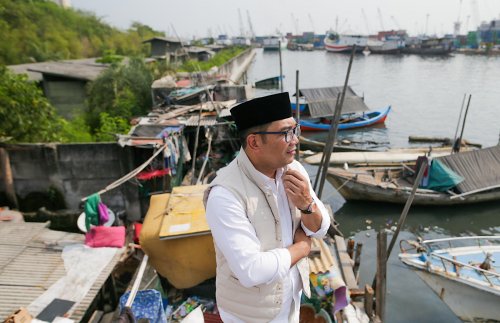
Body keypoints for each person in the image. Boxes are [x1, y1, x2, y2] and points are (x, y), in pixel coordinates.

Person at [204, 92, 330, 322]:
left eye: (295, 130)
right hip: (249, 316)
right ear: (254, 142)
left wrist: (307, 204)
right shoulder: (225, 195)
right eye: (285, 133)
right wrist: (301, 248)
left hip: (290, 301)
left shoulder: (294, 171)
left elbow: (321, 229)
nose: (295, 140)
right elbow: (252, 270)